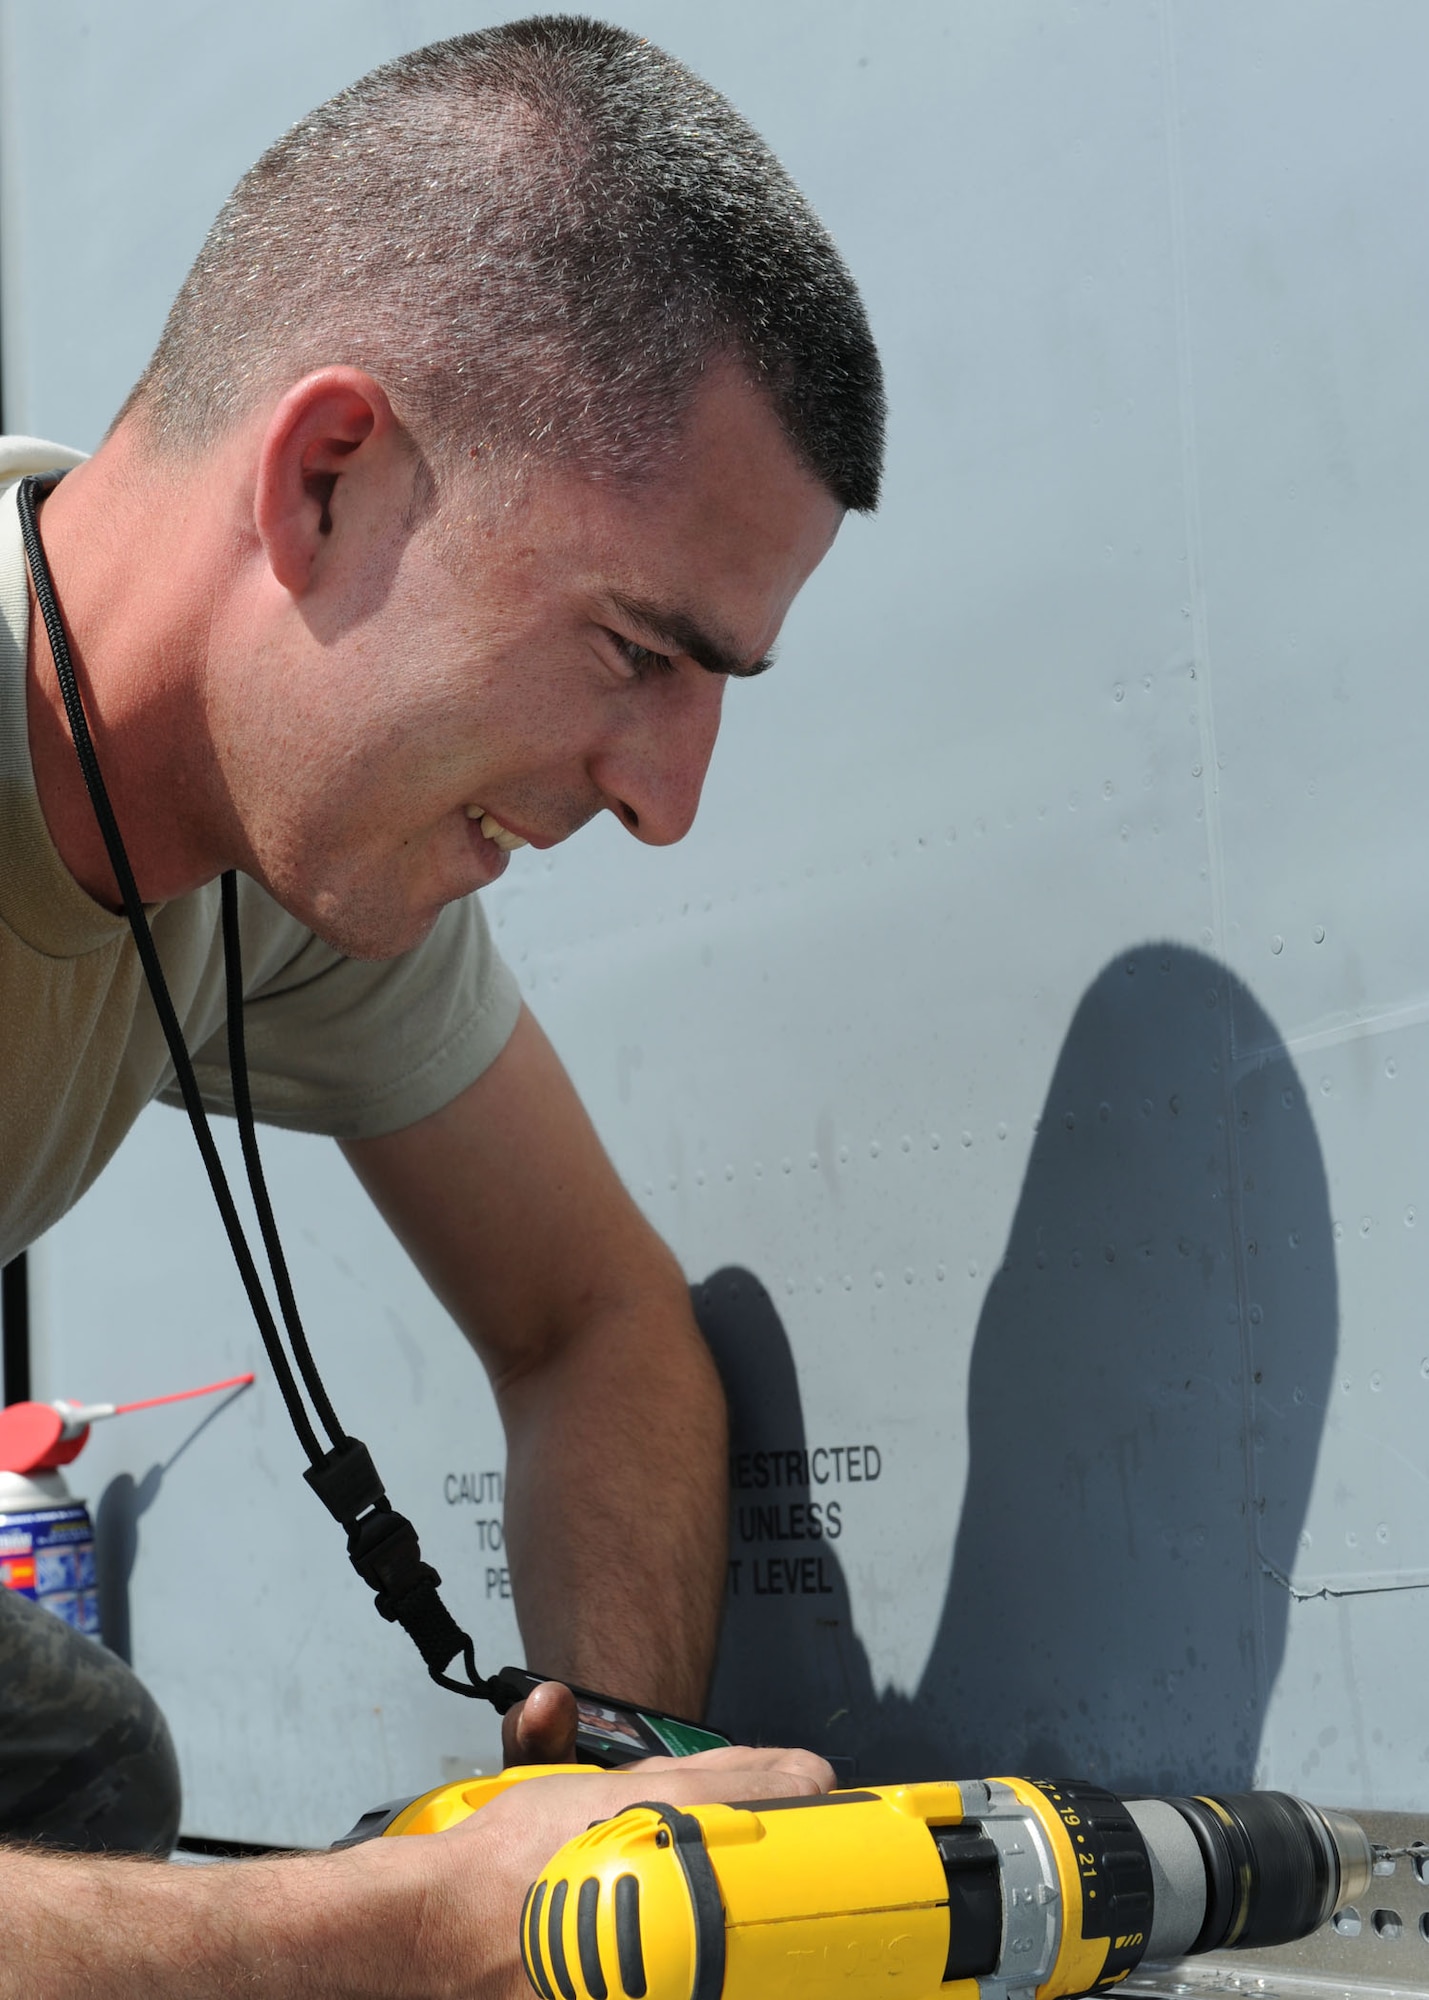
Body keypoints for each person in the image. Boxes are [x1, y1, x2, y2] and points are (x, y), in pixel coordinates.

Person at [0, 13, 883, 1990]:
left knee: (80, 1761)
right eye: (641, 654)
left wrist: (619, 1781)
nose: (667, 802)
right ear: (325, 478)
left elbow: (598, 1325)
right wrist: (412, 1926)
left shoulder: (273, 847)